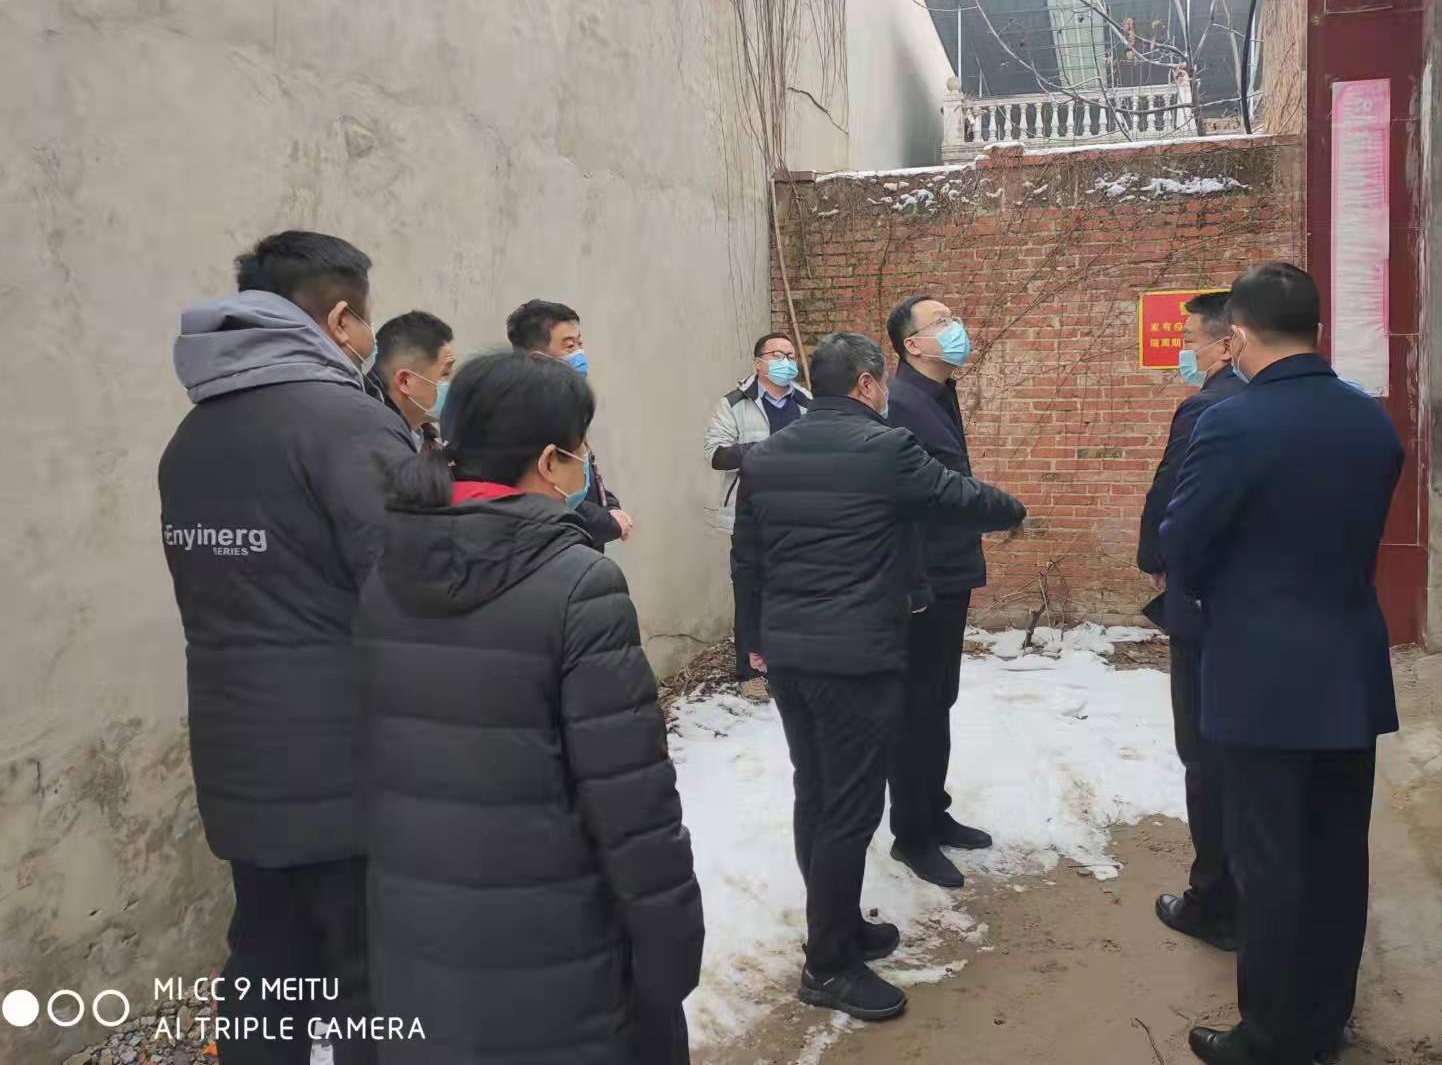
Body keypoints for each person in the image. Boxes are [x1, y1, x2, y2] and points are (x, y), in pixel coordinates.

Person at [357, 352, 704, 1064]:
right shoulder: (580, 584)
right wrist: (671, 944)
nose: (585, 465)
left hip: (418, 928)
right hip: (560, 948)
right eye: (581, 450)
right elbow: (631, 799)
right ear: (550, 461)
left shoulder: (387, 568)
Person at [159, 230, 414, 1065]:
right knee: (371, 983)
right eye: (365, 321)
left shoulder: (192, 438)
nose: (368, 338)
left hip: (239, 760)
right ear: (339, 320)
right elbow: (414, 593)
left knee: (268, 963)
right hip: (349, 767)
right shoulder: (346, 424)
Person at [733, 333, 1025, 1023]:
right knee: (849, 809)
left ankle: (837, 926)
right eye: (882, 383)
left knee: (816, 792)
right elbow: (960, 497)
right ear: (867, 384)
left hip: (790, 656)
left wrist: (753, 646)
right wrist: (1013, 510)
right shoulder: (886, 449)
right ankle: (828, 964)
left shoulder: (765, 455)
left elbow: (747, 560)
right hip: (855, 660)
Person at [1160, 263, 1404, 1065]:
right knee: (1338, 858)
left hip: (1261, 675)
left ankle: (1269, 1037)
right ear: (1316, 327)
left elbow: (1183, 541)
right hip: (1348, 666)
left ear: (1237, 335)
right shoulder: (1370, 420)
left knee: (1268, 862)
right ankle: (1324, 1020)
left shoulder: (1233, 422)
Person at [1136, 290, 1244, 951]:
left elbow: (1172, 493)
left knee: (1204, 756)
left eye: (1189, 339)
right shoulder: (1269, 401)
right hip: (1258, 614)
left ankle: (1214, 900)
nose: (1183, 351)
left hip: (1204, 606)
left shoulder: (1207, 407)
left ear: (1227, 343)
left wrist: (1156, 556)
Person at [883, 295, 993, 890]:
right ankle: (911, 835)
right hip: (922, 581)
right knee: (915, 708)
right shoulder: (901, 403)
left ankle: (934, 811)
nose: (957, 328)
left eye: (954, 317)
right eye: (942, 322)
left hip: (951, 572)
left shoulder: (938, 394)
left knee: (937, 700)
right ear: (913, 345)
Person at [704, 331, 812, 697]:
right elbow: (715, 454)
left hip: (797, 516)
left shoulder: (807, 402)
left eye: (790, 355)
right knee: (751, 594)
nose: (786, 362)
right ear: (758, 363)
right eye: (776, 355)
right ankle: (750, 672)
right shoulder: (734, 403)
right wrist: (765, 449)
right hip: (750, 516)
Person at [507, 299, 634, 553]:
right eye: (569, 346)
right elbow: (553, 497)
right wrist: (608, 522)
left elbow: (585, 478)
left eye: (580, 343)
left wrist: (610, 506)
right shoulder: (525, 417)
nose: (580, 354)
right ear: (538, 358)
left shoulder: (563, 407)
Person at [373, 310, 456, 451]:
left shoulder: (429, 445)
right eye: (445, 373)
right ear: (405, 381)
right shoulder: (374, 448)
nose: (454, 383)